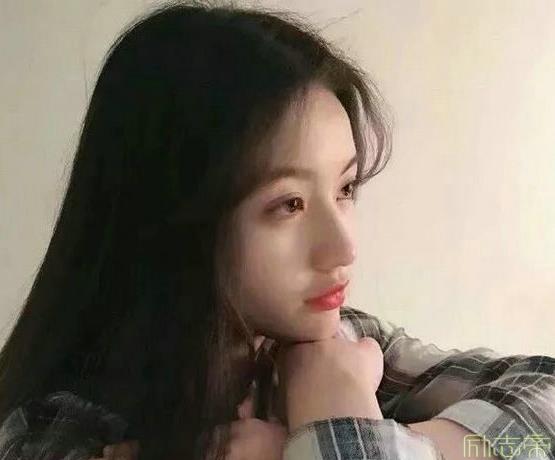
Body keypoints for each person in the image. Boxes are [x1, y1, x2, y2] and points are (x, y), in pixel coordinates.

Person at [0, 2, 554, 460]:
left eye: (345, 188)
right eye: (289, 204)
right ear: (175, 221)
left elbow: (539, 419)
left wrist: (333, 432)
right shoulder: (53, 433)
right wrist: (340, 429)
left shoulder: (338, 348)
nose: (344, 247)